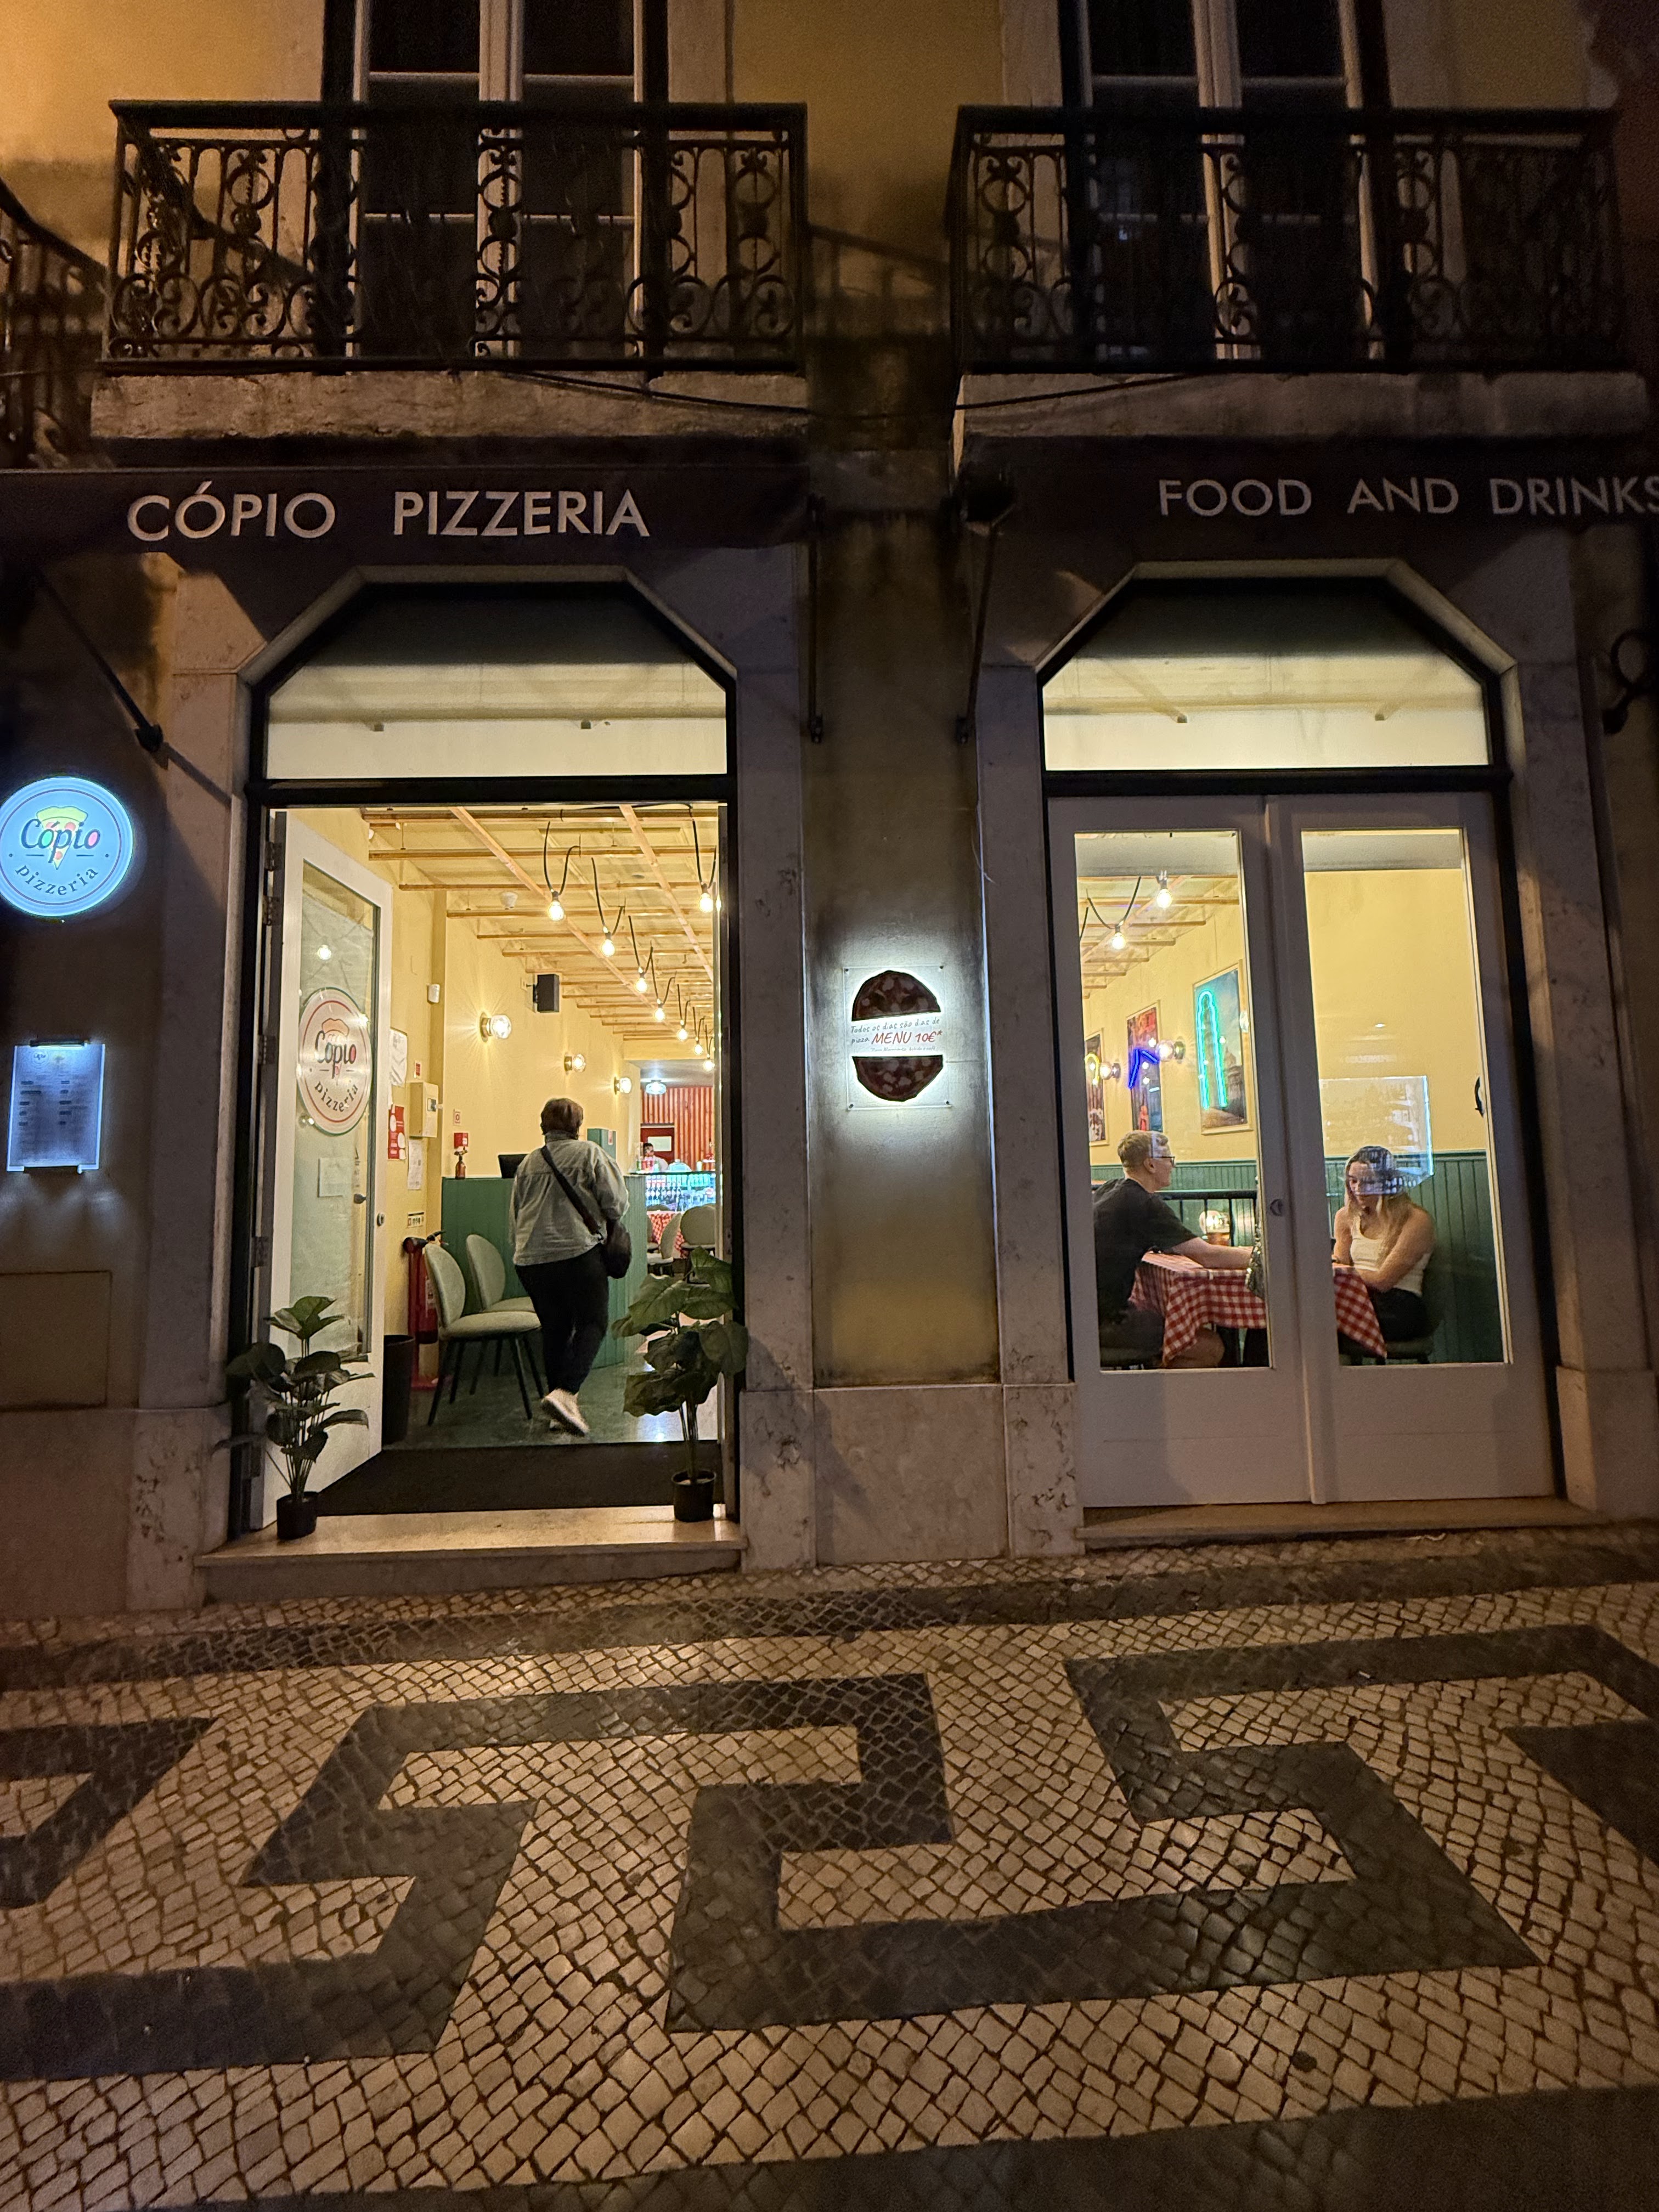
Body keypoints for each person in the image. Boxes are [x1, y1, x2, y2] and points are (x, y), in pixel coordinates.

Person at [510, 1097, 630, 1435]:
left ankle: (559, 1411)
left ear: (543, 1126)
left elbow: (516, 1214)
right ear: (578, 1126)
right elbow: (616, 1204)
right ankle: (566, 1392)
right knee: (593, 1321)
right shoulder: (590, 1154)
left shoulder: (529, 1163)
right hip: (577, 1253)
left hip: (530, 1260)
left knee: (555, 1330)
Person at [1094, 1130, 1253, 1369]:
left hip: (1083, 1314)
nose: (1173, 1166)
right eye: (1169, 1159)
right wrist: (1261, 1255)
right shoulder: (1144, 1204)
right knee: (1211, 1347)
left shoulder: (1111, 1189)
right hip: (1104, 1323)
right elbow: (1208, 1257)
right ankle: (1152, 1392)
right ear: (1151, 1165)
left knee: (1169, 1326)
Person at [1333, 1144, 1436, 1349]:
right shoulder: (1345, 1216)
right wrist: (1337, 1267)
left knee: (1316, 1323)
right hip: (1356, 1296)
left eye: (1369, 1182)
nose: (1359, 1189)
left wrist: (1343, 1271)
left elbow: (1383, 1281)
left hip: (1400, 1305)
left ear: (1387, 1183)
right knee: (1295, 1316)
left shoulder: (1416, 1220)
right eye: (1353, 1181)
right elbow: (1340, 1261)